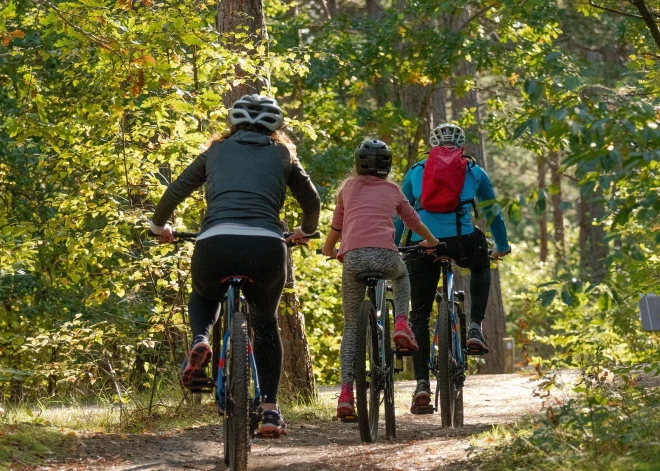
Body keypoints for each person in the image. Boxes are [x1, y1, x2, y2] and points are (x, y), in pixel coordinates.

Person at [150, 94, 321, 438]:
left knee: (205, 294)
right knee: (266, 323)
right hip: (267, 246)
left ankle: (200, 339)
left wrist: (159, 227)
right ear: (276, 126)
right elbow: (312, 200)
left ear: (234, 122)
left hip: (216, 242)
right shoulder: (283, 153)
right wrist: (305, 230)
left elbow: (174, 192)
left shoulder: (215, 151)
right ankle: (271, 410)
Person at [396, 123, 511, 414]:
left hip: (423, 244)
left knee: (419, 313)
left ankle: (422, 384)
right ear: (461, 145)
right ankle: (474, 327)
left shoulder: (416, 170)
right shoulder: (474, 171)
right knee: (481, 265)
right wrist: (502, 244)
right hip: (462, 242)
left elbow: (400, 214)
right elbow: (492, 212)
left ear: (432, 145)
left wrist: (396, 245)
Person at [321, 139, 439, 420]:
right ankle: (401, 322)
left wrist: (329, 251)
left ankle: (346, 394)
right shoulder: (393, 190)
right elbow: (413, 222)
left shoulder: (347, 189)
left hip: (353, 260)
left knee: (351, 327)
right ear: (387, 167)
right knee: (402, 275)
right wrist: (431, 241)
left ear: (357, 164)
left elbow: (337, 227)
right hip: (387, 257)